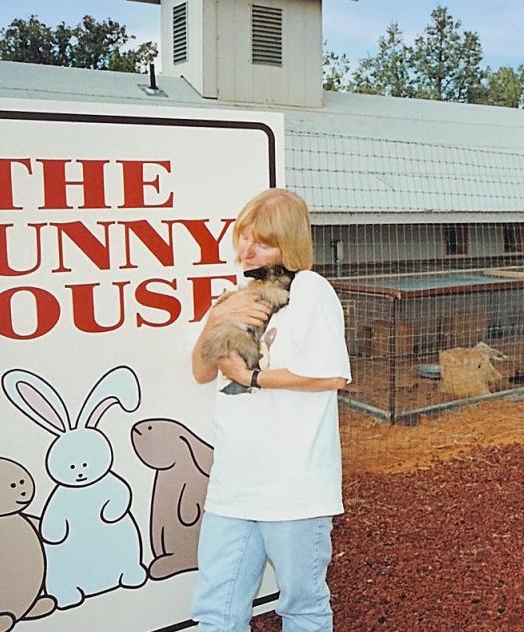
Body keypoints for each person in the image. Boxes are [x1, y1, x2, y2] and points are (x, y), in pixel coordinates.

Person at [190, 188, 351, 632]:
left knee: (301, 605)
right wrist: (214, 321)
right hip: (235, 481)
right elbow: (202, 371)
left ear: (289, 244)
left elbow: (331, 375)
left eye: (261, 241)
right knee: (215, 609)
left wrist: (252, 378)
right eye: (243, 236)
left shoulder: (310, 290)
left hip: (293, 485)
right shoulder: (240, 295)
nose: (247, 248)